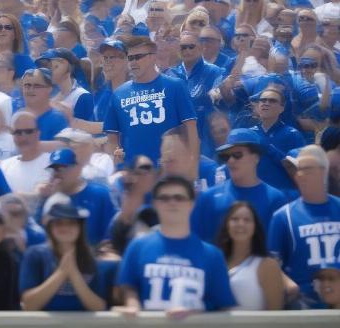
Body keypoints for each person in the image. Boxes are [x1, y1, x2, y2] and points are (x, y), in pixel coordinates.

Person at [116, 175, 236, 317]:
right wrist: (132, 305)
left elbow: (223, 307)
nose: (172, 203)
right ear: (155, 204)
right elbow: (128, 287)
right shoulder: (138, 246)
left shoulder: (212, 255)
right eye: (164, 198)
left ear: (191, 204)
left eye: (179, 198)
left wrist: (195, 314)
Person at [104, 35, 198, 165]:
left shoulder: (175, 86)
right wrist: (116, 159)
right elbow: (112, 138)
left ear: (153, 57)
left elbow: (191, 129)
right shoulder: (118, 94)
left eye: (138, 57)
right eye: (130, 58)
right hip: (136, 173)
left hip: (170, 168)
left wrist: (193, 163)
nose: (133, 62)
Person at [268, 145, 340, 308]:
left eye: (306, 169)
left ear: (323, 172)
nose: (299, 175)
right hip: (304, 310)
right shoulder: (282, 217)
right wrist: (288, 284)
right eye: (297, 170)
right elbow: (271, 265)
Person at [192, 129, 287, 242]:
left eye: (237, 155)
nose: (231, 161)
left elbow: (278, 250)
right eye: (226, 156)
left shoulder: (275, 199)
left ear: (256, 157)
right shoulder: (209, 197)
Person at [20, 194, 109, 311]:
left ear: (80, 228)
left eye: (71, 223)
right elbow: (29, 305)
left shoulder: (90, 258)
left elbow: (99, 307)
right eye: (58, 223)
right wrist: (61, 273)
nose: (65, 227)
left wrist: (74, 274)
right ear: (50, 228)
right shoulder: (35, 254)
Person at [38, 148, 117, 246]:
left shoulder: (99, 194)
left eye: (61, 169)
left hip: (93, 255)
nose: (56, 174)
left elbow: (111, 232)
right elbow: (42, 232)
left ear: (76, 169)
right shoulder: (49, 198)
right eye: (53, 170)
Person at [215, 201, 284, 310]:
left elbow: (275, 315)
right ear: (227, 225)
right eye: (235, 219)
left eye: (247, 220)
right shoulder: (216, 263)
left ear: (255, 227)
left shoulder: (267, 265)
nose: (240, 224)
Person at [0, 111, 51, 200]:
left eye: (28, 131)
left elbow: (40, 195)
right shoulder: (4, 166)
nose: (23, 137)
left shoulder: (51, 162)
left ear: (38, 134)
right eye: (18, 132)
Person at [20, 68, 68, 141]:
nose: (31, 90)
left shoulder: (57, 119)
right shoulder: (16, 112)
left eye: (37, 86)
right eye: (27, 85)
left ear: (49, 88)